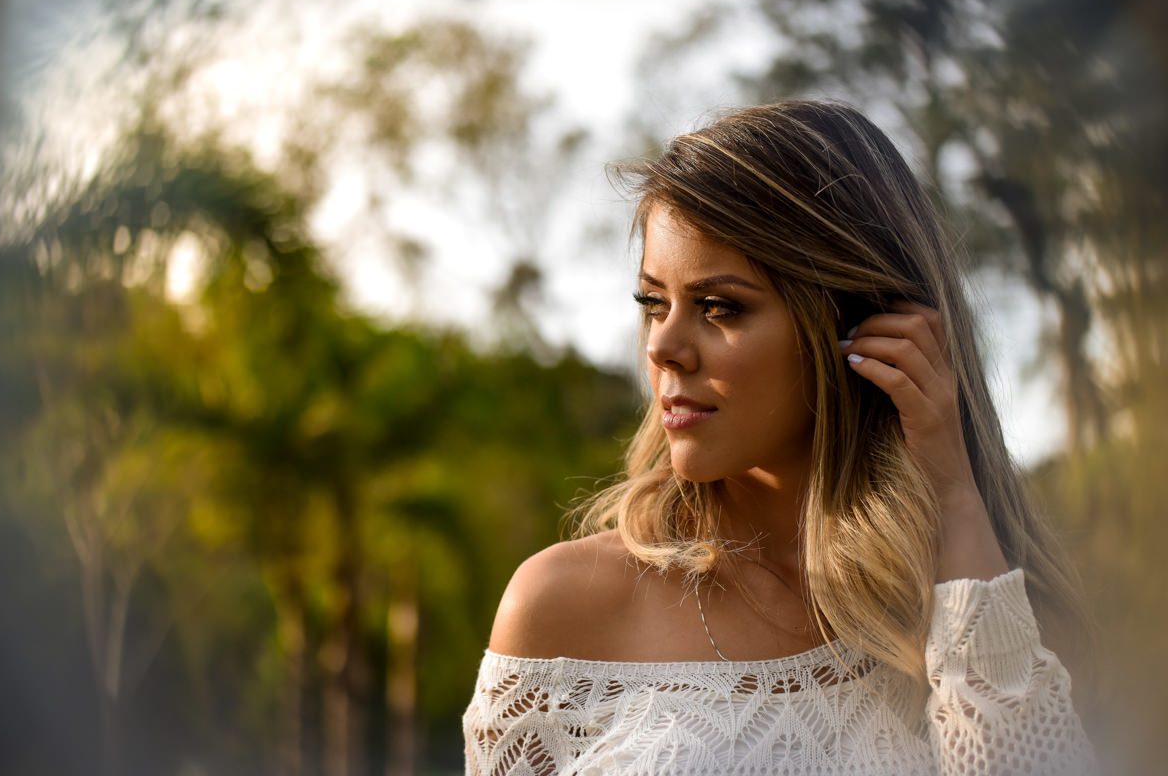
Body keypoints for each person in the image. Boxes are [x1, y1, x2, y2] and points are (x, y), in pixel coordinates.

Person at [462, 100, 1094, 774]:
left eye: (720, 307)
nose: (664, 347)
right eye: (653, 304)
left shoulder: (992, 615)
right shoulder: (561, 610)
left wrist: (955, 495)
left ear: (862, 326)